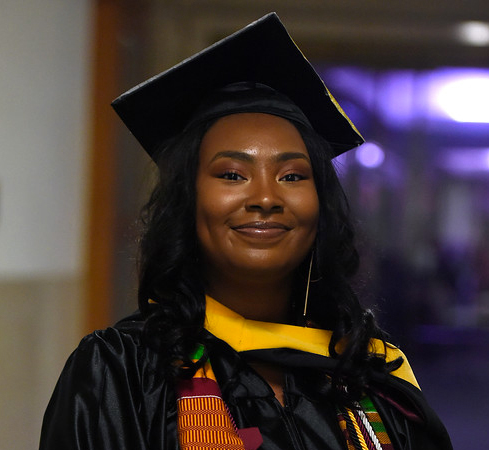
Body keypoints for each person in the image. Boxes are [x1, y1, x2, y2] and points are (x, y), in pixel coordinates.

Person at [39, 13, 453, 450]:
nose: (265, 197)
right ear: (188, 201)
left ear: (321, 208)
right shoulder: (121, 369)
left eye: (293, 176)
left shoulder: (369, 370)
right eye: (232, 174)